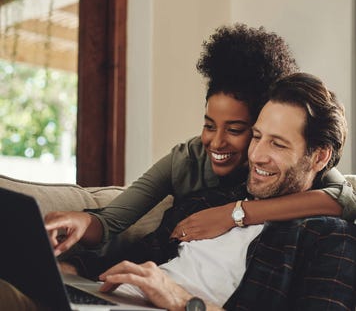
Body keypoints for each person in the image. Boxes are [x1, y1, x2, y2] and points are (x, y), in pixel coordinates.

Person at [45, 24, 356, 276]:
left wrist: (235, 215)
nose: (217, 142)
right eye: (209, 125)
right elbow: (115, 224)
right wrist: (80, 223)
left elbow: (343, 200)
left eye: (236, 130)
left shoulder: (290, 168)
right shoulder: (189, 161)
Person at [97, 72, 356, 311]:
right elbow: (126, 263)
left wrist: (184, 303)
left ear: (319, 157)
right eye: (256, 137)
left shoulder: (329, 239)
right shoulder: (209, 201)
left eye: (277, 144)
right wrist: (67, 270)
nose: (256, 155)